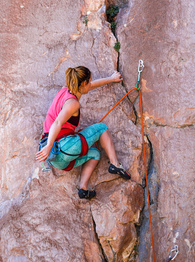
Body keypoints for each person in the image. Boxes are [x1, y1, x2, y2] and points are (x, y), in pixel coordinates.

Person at [36, 66, 131, 199]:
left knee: (95, 154)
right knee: (101, 128)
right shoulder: (73, 104)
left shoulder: (65, 90)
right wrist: (48, 146)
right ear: (83, 84)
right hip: (61, 148)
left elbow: (90, 86)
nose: (90, 84)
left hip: (57, 160)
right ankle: (115, 164)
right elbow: (57, 123)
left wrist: (111, 79)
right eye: (89, 82)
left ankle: (83, 189)